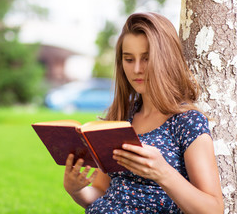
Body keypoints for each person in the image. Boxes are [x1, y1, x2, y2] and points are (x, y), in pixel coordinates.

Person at [63, 12, 224, 213]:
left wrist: (163, 173)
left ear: (167, 59)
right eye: (129, 59)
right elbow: (102, 192)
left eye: (146, 58)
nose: (137, 69)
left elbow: (213, 209)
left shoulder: (187, 122)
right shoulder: (121, 117)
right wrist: (76, 190)